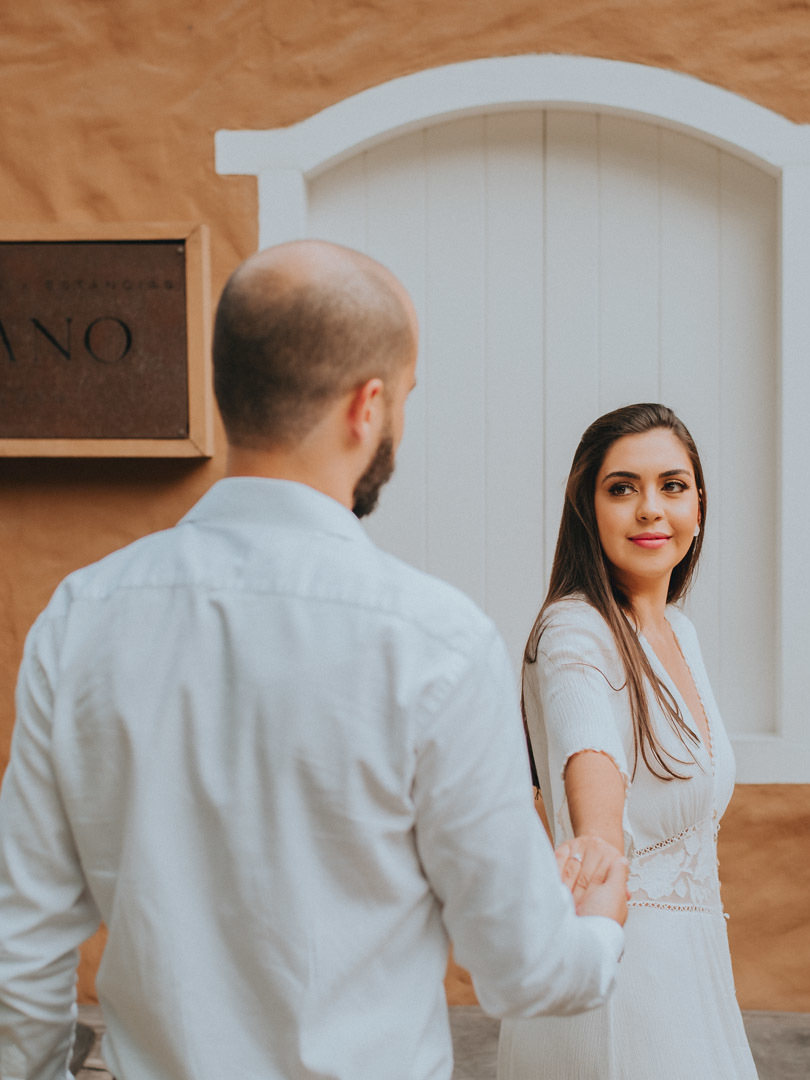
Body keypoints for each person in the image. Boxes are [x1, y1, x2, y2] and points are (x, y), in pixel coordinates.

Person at [0, 240, 628, 1080]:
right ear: (367, 406)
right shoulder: (434, 642)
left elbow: (20, 950)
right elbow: (526, 970)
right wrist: (600, 927)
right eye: (404, 398)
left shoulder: (80, 618)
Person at [497, 403, 759, 1080]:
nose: (650, 508)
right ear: (587, 508)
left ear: (699, 502)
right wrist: (597, 844)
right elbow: (591, 748)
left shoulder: (680, 632)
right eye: (622, 488)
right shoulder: (573, 633)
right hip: (617, 975)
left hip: (692, 970)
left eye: (672, 485)